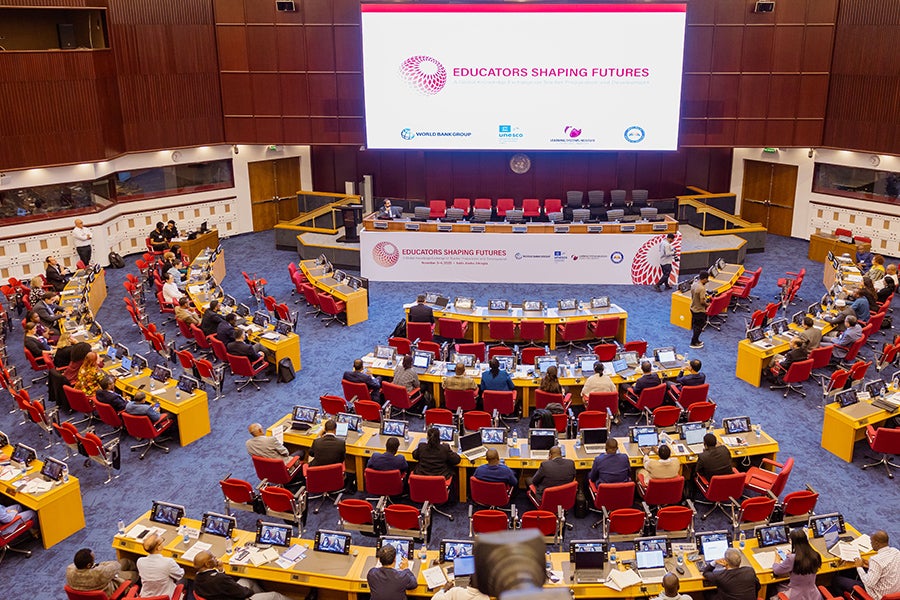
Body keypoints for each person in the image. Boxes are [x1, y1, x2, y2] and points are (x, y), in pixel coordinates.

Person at [193, 550, 290, 600]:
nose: (215, 557)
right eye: (213, 557)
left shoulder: (197, 577)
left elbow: (223, 584)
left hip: (223, 596)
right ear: (207, 564)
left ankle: (261, 596)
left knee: (247, 580)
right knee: (275, 595)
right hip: (238, 597)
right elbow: (241, 592)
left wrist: (220, 569)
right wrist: (250, 593)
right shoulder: (219, 579)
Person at [832, 530, 900, 600]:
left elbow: (868, 583)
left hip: (876, 595)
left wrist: (859, 567)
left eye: (871, 542)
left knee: (836, 580)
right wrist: (871, 565)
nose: (871, 544)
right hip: (894, 592)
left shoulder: (875, 560)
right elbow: (887, 567)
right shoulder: (896, 552)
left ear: (877, 543)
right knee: (852, 572)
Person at [771, 528, 822, 600]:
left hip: (797, 596)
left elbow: (777, 571)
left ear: (793, 542)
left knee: (774, 587)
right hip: (814, 595)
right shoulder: (815, 555)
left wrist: (777, 559)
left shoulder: (792, 558)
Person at [66, 547, 138, 597]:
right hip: (109, 589)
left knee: (124, 561)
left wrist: (96, 566)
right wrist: (100, 565)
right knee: (134, 574)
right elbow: (116, 565)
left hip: (94, 586)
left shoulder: (69, 570)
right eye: (93, 560)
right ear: (88, 565)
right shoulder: (99, 573)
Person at [137, 533, 184, 598]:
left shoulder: (140, 561)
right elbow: (180, 574)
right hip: (166, 597)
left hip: (146, 597)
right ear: (159, 548)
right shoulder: (168, 562)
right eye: (162, 540)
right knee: (185, 580)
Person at [690, 272, 710, 349]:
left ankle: (696, 340)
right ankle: (693, 342)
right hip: (699, 310)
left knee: (695, 326)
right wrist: (707, 304)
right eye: (707, 279)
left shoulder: (694, 284)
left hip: (693, 308)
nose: (707, 281)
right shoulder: (702, 288)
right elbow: (702, 302)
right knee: (699, 327)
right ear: (704, 279)